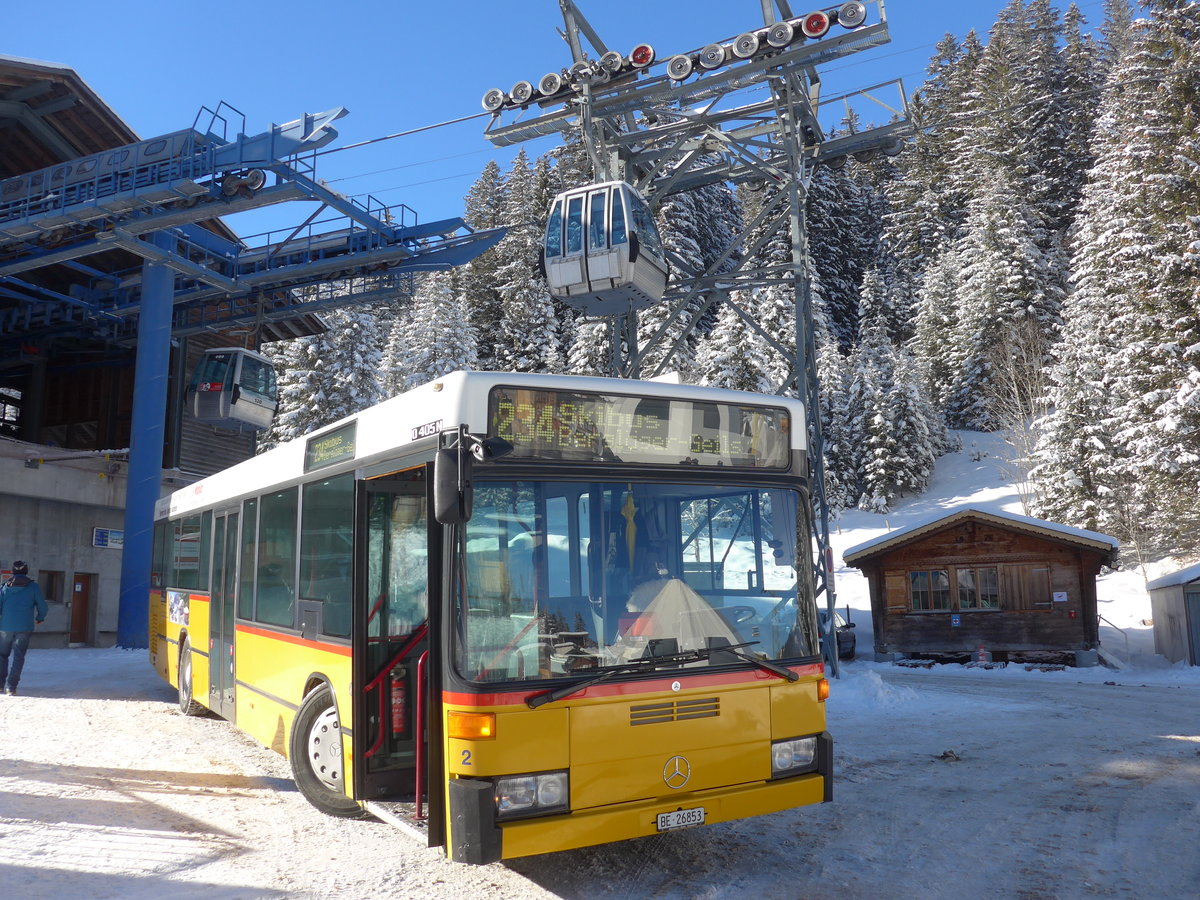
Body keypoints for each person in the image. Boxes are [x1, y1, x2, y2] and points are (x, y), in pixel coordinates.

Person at [0, 561, 48, 695]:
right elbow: (42, 606)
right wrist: (40, 618)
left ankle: (0, 684)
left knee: (2, 655)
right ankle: (11, 687)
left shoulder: (5, 587)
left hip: (5, 627)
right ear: (26, 571)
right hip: (24, 627)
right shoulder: (33, 587)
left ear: (13, 571)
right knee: (19, 656)